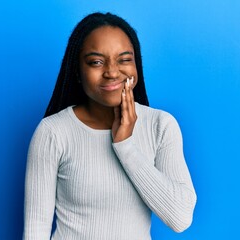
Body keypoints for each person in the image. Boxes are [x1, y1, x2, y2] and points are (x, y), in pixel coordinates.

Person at [23, 12, 197, 240]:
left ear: (137, 66)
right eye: (96, 62)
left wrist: (125, 145)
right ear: (77, 70)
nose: (112, 72)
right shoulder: (53, 132)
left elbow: (180, 218)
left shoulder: (161, 126)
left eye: (124, 59)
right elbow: (36, 228)